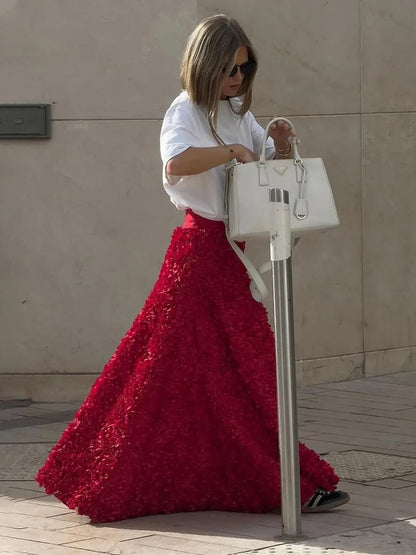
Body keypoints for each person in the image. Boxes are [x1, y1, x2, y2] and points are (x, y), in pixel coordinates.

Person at [36, 14, 349, 522]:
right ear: (208, 64)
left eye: (246, 71)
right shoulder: (183, 111)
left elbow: (261, 163)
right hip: (199, 252)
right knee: (177, 370)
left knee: (230, 372)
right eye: (231, 69)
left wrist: (281, 143)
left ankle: (276, 478)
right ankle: (278, 483)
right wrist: (232, 150)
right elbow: (176, 162)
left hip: (229, 254)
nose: (239, 81)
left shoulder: (231, 110)